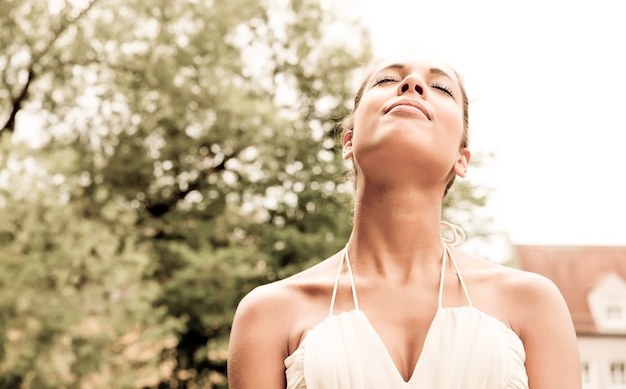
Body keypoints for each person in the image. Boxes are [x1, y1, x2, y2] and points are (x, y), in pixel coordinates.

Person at [227, 51, 582, 389]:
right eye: (386, 79)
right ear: (348, 141)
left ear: (462, 158)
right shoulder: (268, 314)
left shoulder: (533, 303)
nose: (412, 83)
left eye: (441, 88)